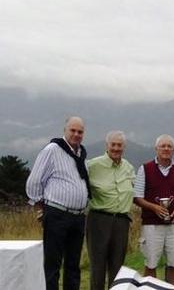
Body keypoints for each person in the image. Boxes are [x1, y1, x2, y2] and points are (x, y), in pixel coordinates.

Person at [26, 116, 90, 290]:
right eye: (73, 130)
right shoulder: (52, 150)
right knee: (53, 264)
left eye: (80, 132)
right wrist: (42, 207)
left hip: (78, 217)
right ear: (65, 130)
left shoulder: (80, 153)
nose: (76, 134)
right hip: (57, 214)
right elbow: (34, 181)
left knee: (72, 266)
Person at [133, 134, 174, 287]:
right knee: (151, 263)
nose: (166, 149)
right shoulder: (145, 169)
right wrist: (154, 207)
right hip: (151, 225)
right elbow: (137, 197)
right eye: (163, 146)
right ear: (156, 149)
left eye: (169, 147)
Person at [86, 130, 135, 290]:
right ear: (106, 146)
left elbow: (137, 190)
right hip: (99, 219)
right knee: (98, 265)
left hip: (122, 221)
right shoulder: (93, 165)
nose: (116, 148)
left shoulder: (128, 167)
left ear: (124, 147)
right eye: (113, 145)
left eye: (119, 145)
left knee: (117, 265)